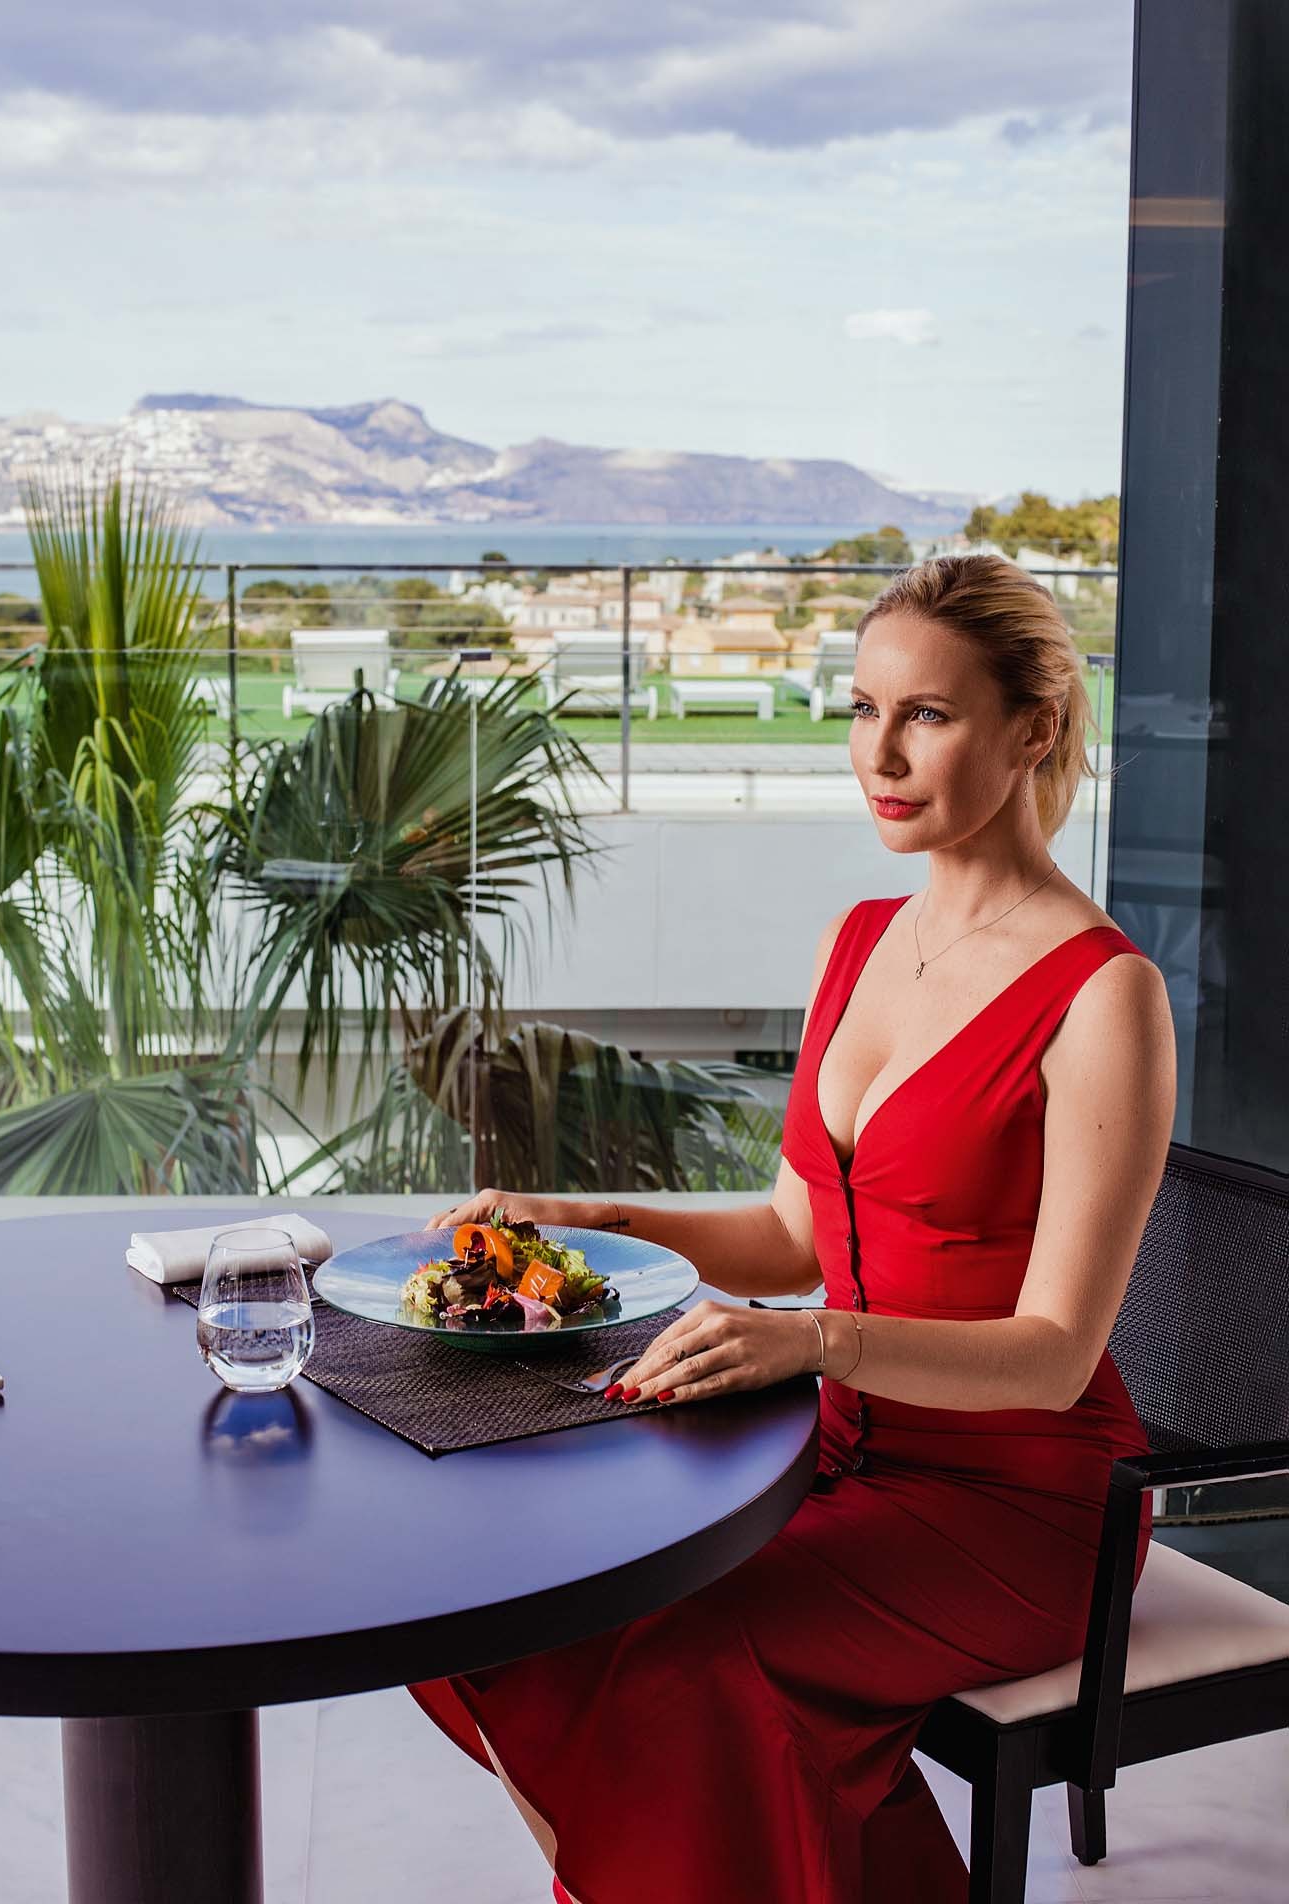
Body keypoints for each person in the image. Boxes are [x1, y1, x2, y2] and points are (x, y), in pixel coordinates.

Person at [410, 554, 1177, 1904]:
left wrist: (811, 1345)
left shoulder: (1105, 996)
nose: (879, 755)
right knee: (520, 1594)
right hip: (817, 1455)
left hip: (1020, 1503)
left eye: (927, 715)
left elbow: (1057, 1355)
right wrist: (587, 1215)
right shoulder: (862, 940)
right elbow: (792, 1236)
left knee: (688, 1664)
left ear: (1034, 728)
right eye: (863, 708)